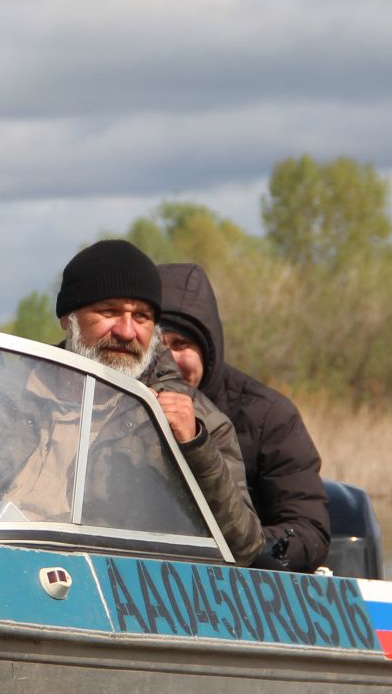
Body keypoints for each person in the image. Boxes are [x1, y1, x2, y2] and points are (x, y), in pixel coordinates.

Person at [51, 240, 264, 565]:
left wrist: (195, 446)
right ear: (69, 318)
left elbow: (245, 546)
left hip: (126, 594)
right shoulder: (18, 394)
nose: (126, 331)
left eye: (141, 316)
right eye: (109, 311)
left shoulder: (200, 418)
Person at [157, 263, 332, 572]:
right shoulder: (118, 402)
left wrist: (241, 547)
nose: (169, 360)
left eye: (181, 345)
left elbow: (309, 531)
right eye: (158, 346)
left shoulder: (269, 416)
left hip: (240, 583)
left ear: (208, 349)